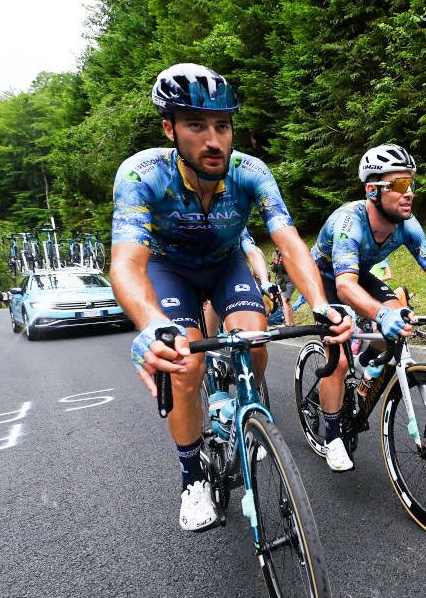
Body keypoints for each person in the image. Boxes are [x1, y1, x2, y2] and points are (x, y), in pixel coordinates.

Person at [110, 63, 352, 531]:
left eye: (222, 125)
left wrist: (321, 305)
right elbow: (126, 263)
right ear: (170, 128)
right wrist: (149, 324)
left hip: (226, 265)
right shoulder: (142, 174)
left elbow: (288, 241)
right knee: (185, 363)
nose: (214, 140)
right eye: (197, 125)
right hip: (168, 271)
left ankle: (248, 398)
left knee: (254, 338)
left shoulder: (250, 171)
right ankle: (192, 476)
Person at [311, 143, 426, 472]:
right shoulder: (348, 223)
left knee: (400, 315)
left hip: (358, 274)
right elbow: (343, 286)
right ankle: (332, 435)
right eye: (398, 185)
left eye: (411, 184)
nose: (409, 193)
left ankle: (367, 368)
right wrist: (380, 314)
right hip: (324, 279)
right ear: (372, 190)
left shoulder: (408, 225)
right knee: (337, 359)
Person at [269, 247, 296, 326]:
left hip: (289, 281)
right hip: (281, 283)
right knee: (287, 302)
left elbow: (289, 269)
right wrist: (275, 263)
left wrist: (282, 262)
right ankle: (292, 323)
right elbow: (274, 270)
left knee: (284, 301)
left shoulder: (288, 254)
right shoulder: (275, 254)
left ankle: (287, 323)